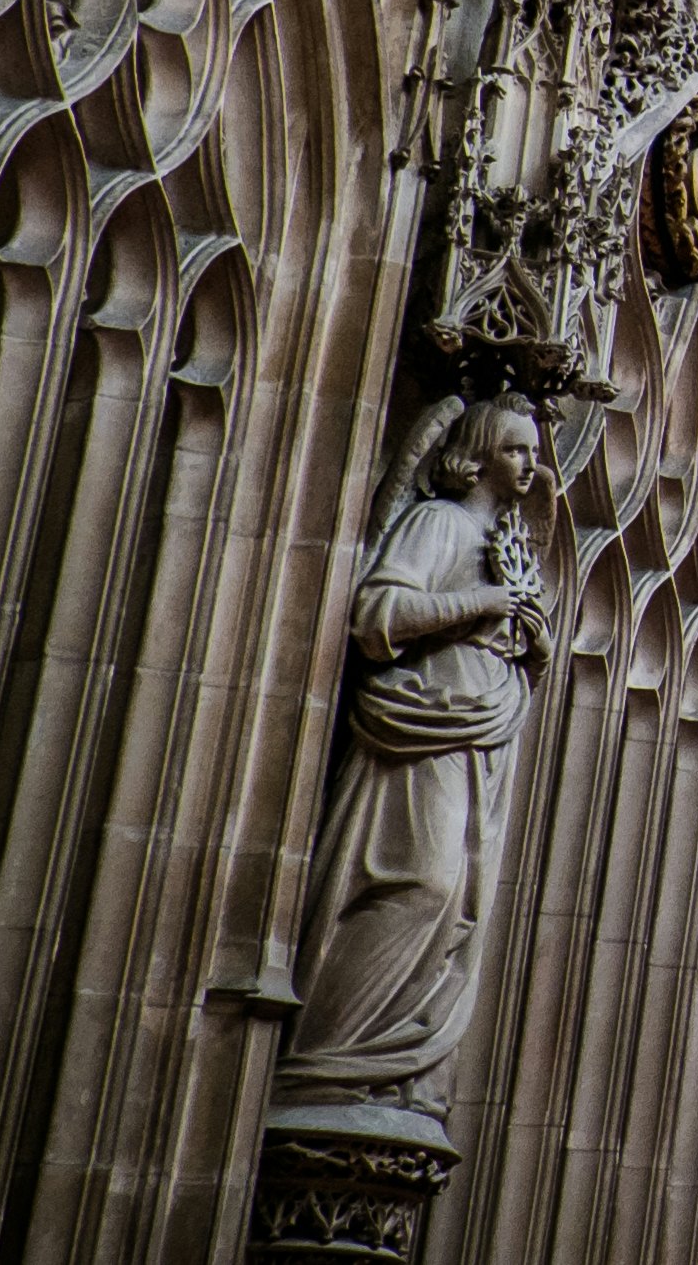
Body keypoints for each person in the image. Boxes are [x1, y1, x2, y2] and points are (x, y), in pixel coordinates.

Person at [270, 399, 558, 1125]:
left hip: (479, 728)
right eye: (518, 449)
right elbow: (377, 616)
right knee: (419, 882)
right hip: (423, 719)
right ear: (480, 452)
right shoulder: (441, 522)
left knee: (460, 900)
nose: (533, 464)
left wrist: (529, 635)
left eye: (534, 450)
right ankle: (331, 1060)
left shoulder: (501, 537)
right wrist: (482, 599)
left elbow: (515, 632)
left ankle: (396, 1065)